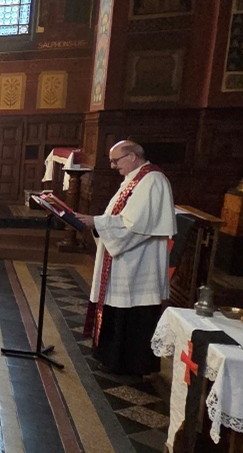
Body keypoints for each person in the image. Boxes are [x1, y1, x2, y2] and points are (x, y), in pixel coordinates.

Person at [75, 140, 176, 376]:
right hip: (126, 259)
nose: (112, 166)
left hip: (138, 262)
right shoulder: (136, 179)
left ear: (132, 156)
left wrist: (96, 222)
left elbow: (135, 224)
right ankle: (111, 359)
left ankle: (130, 364)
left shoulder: (152, 180)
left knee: (132, 312)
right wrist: (100, 222)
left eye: (115, 160)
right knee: (118, 308)